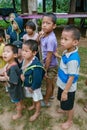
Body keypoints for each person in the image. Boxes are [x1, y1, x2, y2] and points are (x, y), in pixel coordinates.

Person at [56, 25, 81, 129]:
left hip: (68, 88)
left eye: (66, 39)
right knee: (62, 99)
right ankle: (63, 108)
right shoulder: (67, 51)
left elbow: (71, 77)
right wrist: (57, 55)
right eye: (62, 38)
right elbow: (64, 61)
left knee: (69, 105)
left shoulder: (73, 60)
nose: (62, 41)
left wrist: (66, 91)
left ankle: (69, 121)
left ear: (75, 42)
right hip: (62, 84)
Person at [21, 39, 45, 122]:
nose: (23, 53)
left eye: (26, 51)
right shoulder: (25, 59)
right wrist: (21, 74)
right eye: (23, 50)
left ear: (34, 53)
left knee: (37, 99)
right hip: (28, 85)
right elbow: (22, 69)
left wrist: (33, 87)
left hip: (34, 87)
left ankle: (37, 112)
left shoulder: (36, 66)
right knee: (33, 98)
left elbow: (38, 80)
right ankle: (33, 105)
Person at [0, 44, 24, 120]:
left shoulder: (13, 67)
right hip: (15, 88)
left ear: (15, 55)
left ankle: (19, 114)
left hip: (15, 89)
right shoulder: (9, 63)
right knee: (19, 100)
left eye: (7, 51)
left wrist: (3, 78)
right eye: (4, 51)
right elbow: (5, 69)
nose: (4, 53)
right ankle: (22, 105)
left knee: (17, 102)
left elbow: (14, 81)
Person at [39, 12, 58, 106]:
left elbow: (49, 57)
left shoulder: (51, 39)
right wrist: (39, 36)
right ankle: (51, 95)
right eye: (43, 23)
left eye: (48, 23)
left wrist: (45, 70)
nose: (44, 25)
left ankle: (46, 101)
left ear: (54, 26)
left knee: (48, 83)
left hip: (50, 65)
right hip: (48, 63)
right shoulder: (44, 35)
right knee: (51, 81)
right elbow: (37, 43)